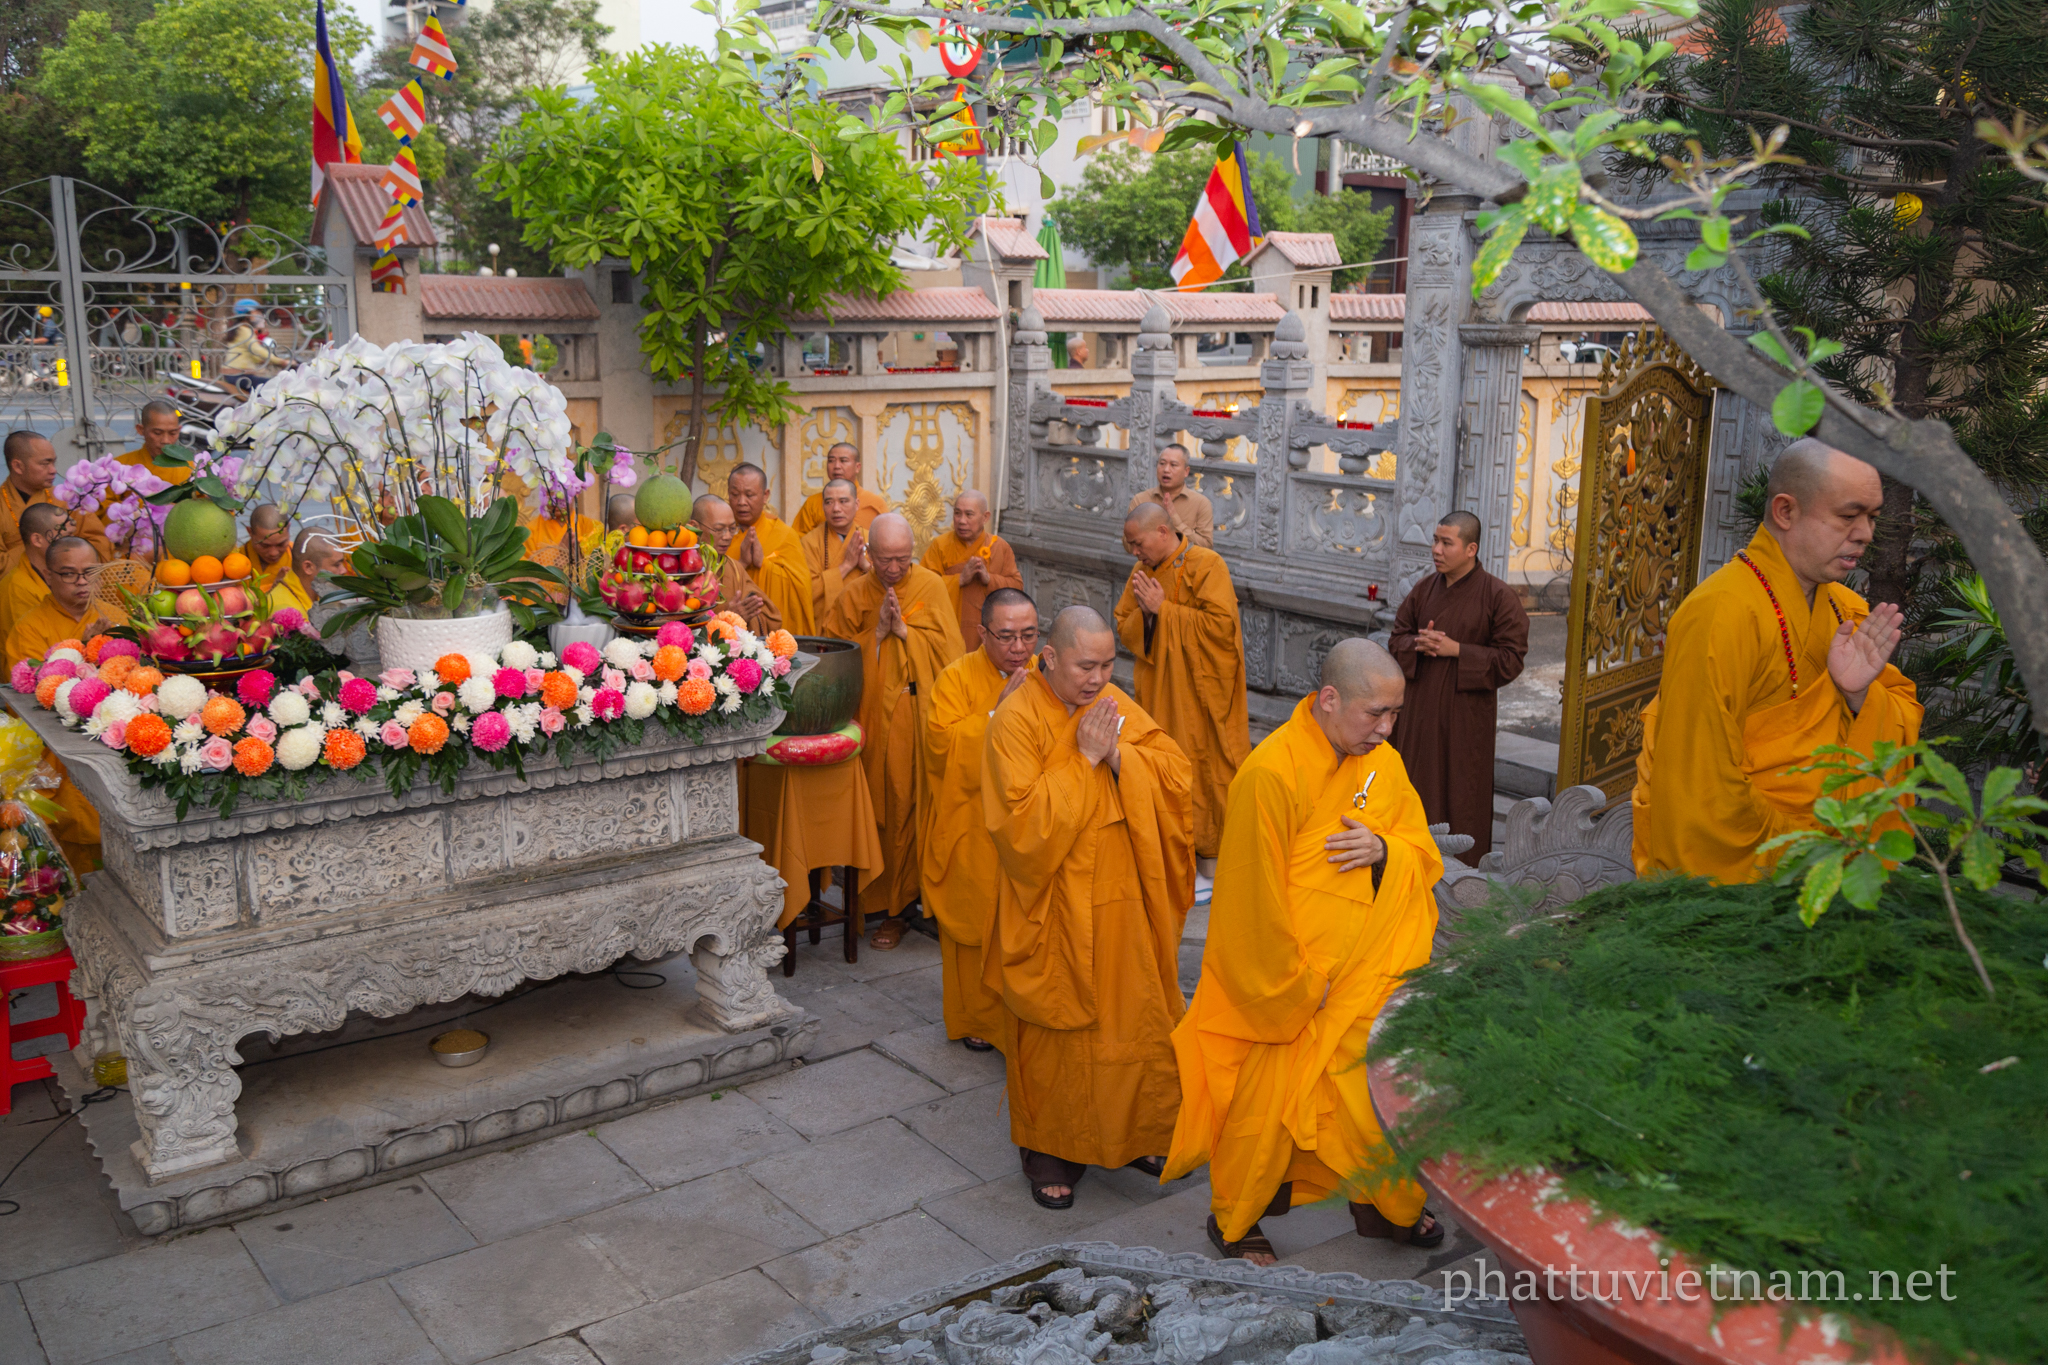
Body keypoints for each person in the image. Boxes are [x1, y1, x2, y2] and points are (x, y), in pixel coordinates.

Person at [1164, 638, 1447, 1263]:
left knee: (1373, 1096)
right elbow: (1249, 901)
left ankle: (1380, 1201)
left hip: (1367, 974)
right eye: (1375, 713)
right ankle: (1235, 1221)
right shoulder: (1270, 773)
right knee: (1264, 1111)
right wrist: (1297, 989)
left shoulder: (1381, 763)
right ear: (1329, 699)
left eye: (1395, 714)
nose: (1387, 728)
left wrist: (1385, 851)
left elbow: (1419, 848)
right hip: (1292, 987)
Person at [984, 605, 1195, 1208]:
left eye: (1107, 665)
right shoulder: (1016, 719)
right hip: (1052, 903)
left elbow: (1175, 774)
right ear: (1049, 657)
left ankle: (1136, 1131)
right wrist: (1083, 761)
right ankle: (1051, 1149)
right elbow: (1020, 827)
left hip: (1123, 898)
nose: (1099, 678)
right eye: (1085, 666)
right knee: (1058, 1029)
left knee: (1133, 1016)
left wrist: (1121, 756)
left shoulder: (1111, 705)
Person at [1633, 439, 1919, 881]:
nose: (1865, 533)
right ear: (1786, 511)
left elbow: (1899, 715)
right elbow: (1700, 783)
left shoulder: (1845, 610)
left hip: (1833, 863)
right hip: (1754, 874)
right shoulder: (1720, 613)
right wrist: (1800, 857)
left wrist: (1859, 696)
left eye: (1873, 517)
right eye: (1849, 516)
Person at [820, 513, 963, 947]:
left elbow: (952, 655)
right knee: (876, 813)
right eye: (885, 560)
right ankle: (875, 903)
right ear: (869, 554)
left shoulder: (931, 587)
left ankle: (905, 908)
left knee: (910, 810)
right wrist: (877, 634)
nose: (895, 569)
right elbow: (833, 661)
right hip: (870, 723)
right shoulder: (853, 595)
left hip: (918, 716)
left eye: (903, 559)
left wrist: (906, 633)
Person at [920, 586, 1037, 1051]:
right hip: (972, 825)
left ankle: (1026, 1021)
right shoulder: (956, 678)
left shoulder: (1045, 676)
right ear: (982, 633)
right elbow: (940, 747)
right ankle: (977, 1021)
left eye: (1029, 635)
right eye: (1006, 636)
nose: (1018, 648)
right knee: (975, 926)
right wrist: (997, 713)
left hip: (1027, 825)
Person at [1385, 512, 1529, 861]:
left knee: (1462, 791)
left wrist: (1458, 650)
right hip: (1418, 716)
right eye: (1435, 540)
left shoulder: (1498, 596)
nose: (1436, 550)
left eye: (1446, 543)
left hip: (1465, 720)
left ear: (1470, 549)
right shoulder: (1424, 589)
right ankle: (1407, 859)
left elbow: (1511, 659)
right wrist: (1417, 643)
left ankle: (1463, 871)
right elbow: (1396, 637)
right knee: (1415, 785)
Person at [1113, 501, 1250, 863]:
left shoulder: (1207, 565)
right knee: (1160, 761)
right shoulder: (1141, 573)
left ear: (1163, 531)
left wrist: (1164, 611)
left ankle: (1213, 853)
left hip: (1203, 695)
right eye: (1130, 546)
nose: (1135, 552)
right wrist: (1147, 615)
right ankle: (1167, 844)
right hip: (1159, 689)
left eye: (1138, 543)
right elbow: (1123, 622)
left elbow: (1222, 629)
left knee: (1207, 767)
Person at [7, 536, 111, 872]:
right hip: (64, 764)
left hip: (112, 753)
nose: (81, 582)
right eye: (69, 574)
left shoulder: (116, 616)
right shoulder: (29, 628)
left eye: (89, 572)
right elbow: (31, 700)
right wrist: (83, 649)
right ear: (48, 575)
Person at [0, 432, 111, 575]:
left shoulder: (67, 498)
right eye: (45, 464)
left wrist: (67, 557)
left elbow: (99, 544)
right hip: (18, 585)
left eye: (53, 463)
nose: (53, 470)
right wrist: (45, 545)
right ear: (18, 466)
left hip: (71, 582)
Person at [920, 489, 1024, 641]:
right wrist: (959, 580)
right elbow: (923, 589)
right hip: (946, 634)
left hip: (988, 636)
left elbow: (1017, 589)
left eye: (969, 514)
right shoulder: (940, 545)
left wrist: (990, 580)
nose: (962, 521)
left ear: (985, 517)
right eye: (957, 513)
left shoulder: (999, 547)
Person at [727, 463, 816, 635]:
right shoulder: (718, 535)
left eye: (749, 495)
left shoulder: (784, 535)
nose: (741, 502)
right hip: (730, 633)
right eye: (735, 494)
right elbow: (710, 586)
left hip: (774, 636)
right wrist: (742, 563)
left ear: (765, 495)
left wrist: (762, 563)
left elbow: (801, 589)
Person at [689, 494, 781, 636]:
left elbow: (772, 618)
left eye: (732, 528)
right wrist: (728, 619)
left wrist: (744, 616)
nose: (727, 536)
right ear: (694, 528)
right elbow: (676, 625)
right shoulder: (682, 571)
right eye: (719, 529)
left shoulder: (735, 569)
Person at [0, 504, 69, 645]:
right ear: (37, 540)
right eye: (66, 537)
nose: (74, 543)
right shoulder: (18, 588)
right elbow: (30, 646)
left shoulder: (65, 574)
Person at [801, 479, 866, 623]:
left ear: (856, 504)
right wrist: (846, 566)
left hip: (863, 625)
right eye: (829, 502)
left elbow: (888, 587)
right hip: (824, 627)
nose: (836, 508)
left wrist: (866, 567)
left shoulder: (871, 538)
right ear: (823, 506)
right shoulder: (809, 542)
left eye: (843, 501)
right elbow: (805, 592)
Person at [1128, 443, 1214, 549]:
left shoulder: (1201, 503)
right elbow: (1127, 544)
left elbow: (1206, 547)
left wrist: (1175, 521)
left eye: (1173, 465)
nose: (1166, 469)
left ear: (1186, 471)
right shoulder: (1140, 500)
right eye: (1162, 463)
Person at [791, 443, 888, 535]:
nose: (836, 466)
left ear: (857, 467)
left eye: (843, 461)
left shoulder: (875, 504)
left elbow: (887, 539)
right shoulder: (812, 503)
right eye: (831, 461)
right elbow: (798, 541)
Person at [114, 400, 192, 485]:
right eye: (157, 433)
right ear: (141, 430)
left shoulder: (190, 468)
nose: (165, 441)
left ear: (179, 430)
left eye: (172, 433)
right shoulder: (120, 466)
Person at [242, 504, 298, 608]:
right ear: (250, 532)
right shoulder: (235, 560)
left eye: (281, 544)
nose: (273, 553)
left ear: (288, 528)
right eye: (265, 545)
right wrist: (276, 587)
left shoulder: (300, 557)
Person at [221, 301, 280, 392]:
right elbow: (256, 349)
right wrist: (281, 361)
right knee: (276, 385)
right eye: (256, 312)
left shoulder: (239, 329)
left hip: (236, 374)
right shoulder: (244, 330)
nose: (259, 315)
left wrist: (264, 361)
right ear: (247, 314)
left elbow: (250, 353)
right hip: (240, 375)